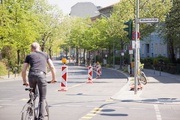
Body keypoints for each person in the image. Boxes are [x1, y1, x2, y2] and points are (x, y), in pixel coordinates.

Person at [21, 42, 57, 120]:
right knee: (42, 98)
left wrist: (25, 81)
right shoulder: (45, 54)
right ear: (39, 47)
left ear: (31, 48)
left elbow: (23, 70)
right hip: (41, 76)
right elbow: (52, 67)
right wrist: (54, 79)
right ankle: (41, 118)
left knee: (33, 95)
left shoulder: (29, 56)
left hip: (31, 76)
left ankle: (31, 111)